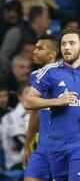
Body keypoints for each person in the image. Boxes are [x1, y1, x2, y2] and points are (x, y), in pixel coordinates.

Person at [23, 28, 80, 180]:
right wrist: (57, 101)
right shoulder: (49, 72)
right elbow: (28, 101)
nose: (67, 47)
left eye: (72, 43)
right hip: (56, 145)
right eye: (64, 44)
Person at [22, 34, 59, 181]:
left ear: (52, 54)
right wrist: (27, 145)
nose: (34, 51)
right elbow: (35, 113)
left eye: (40, 48)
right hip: (43, 148)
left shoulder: (67, 77)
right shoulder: (35, 76)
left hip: (64, 148)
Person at [1, 81, 30, 171]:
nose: (32, 96)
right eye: (27, 93)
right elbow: (21, 141)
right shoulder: (9, 117)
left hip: (37, 162)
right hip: (17, 164)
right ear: (20, 97)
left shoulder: (43, 115)